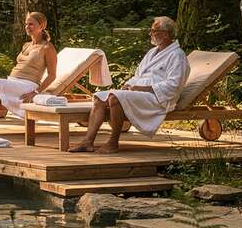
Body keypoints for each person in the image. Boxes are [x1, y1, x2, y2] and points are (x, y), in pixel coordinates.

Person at [69, 16, 189, 154]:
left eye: (154, 30)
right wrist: (128, 84)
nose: (150, 33)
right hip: (139, 93)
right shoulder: (152, 52)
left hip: (157, 98)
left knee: (115, 97)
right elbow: (138, 76)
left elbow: (174, 85)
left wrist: (143, 88)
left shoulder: (177, 55)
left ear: (166, 34)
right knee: (98, 97)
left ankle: (113, 143)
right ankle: (87, 142)